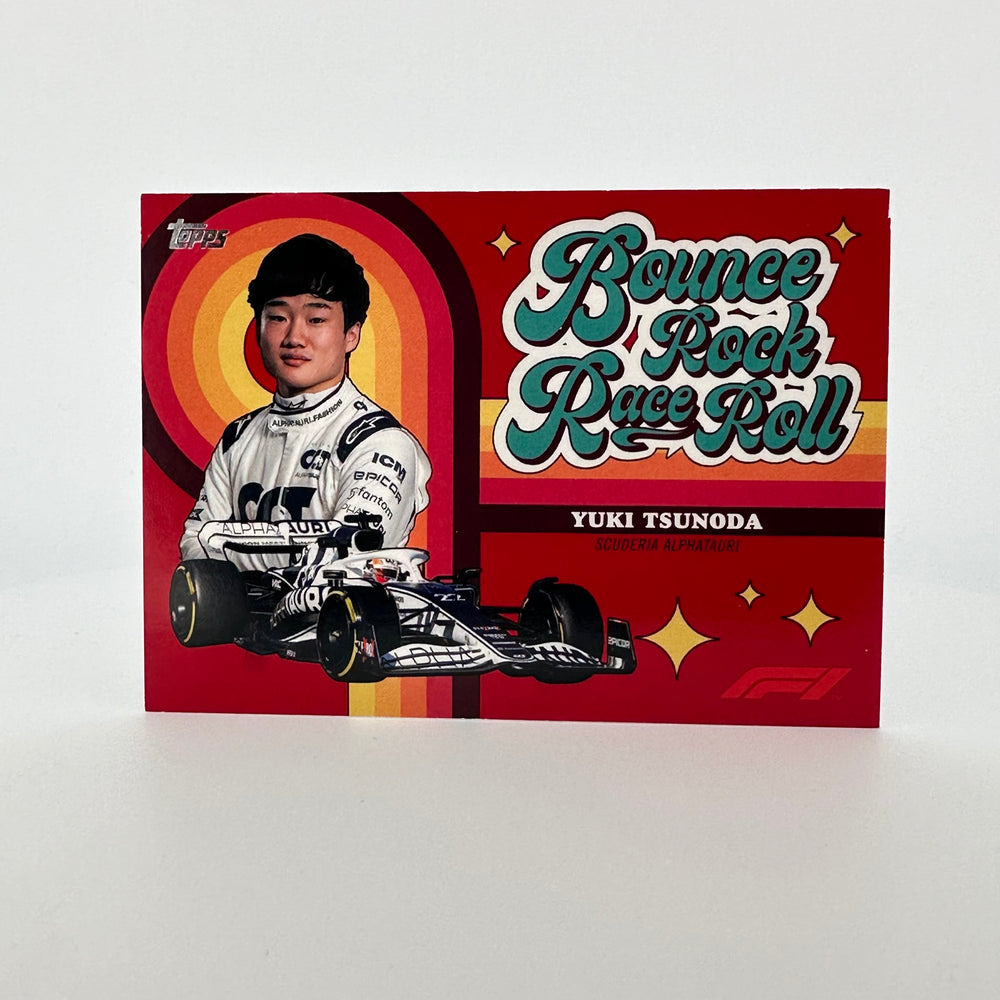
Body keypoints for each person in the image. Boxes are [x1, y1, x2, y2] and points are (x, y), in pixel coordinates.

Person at [179, 233, 431, 565]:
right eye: (278, 318)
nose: (295, 337)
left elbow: (347, 555)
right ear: (258, 328)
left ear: (351, 335)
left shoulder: (381, 441)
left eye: (316, 320)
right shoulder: (237, 439)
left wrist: (235, 565)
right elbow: (196, 545)